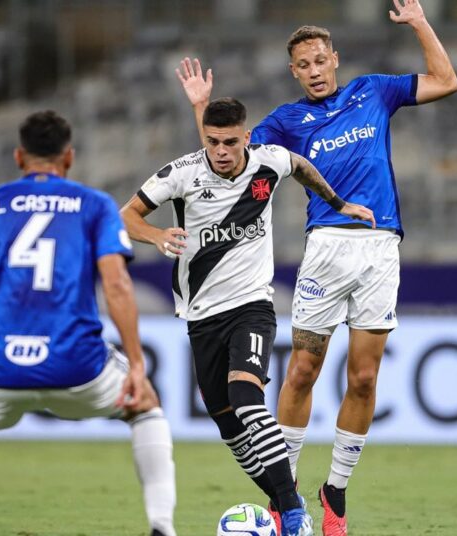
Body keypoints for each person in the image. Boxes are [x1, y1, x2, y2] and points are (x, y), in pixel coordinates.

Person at [176, 1, 457, 533]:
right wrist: (201, 108)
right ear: (294, 72)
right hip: (325, 248)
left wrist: (419, 22)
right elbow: (227, 160)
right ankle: (285, 499)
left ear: (335, 59)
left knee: (365, 377)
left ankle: (335, 494)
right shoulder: (286, 121)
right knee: (302, 370)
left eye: (320, 60)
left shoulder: (372, 91)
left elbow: (446, 80)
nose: (313, 70)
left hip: (379, 248)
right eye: (303, 64)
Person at [120, 97, 374, 536]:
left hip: (252, 307)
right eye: (213, 142)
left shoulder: (268, 162)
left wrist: (338, 202)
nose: (221, 150)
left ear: (247, 138)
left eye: (230, 142)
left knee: (245, 398)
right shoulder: (181, 174)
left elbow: (300, 165)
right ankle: (282, 497)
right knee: (228, 424)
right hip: (200, 315)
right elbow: (125, 217)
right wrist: (156, 234)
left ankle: (293, 515)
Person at [0, 111, 177, 536]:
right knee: (145, 409)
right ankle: (162, 526)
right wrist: (136, 366)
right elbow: (117, 285)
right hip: (76, 363)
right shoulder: (94, 206)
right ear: (68, 157)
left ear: (19, 157)